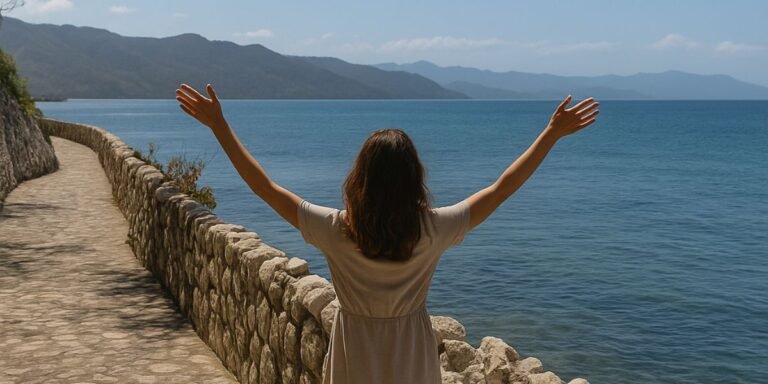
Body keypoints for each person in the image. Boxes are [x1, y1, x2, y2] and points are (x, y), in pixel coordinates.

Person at [175, 83, 599, 384]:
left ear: (360, 178)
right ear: (414, 179)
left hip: (354, 350)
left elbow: (264, 187)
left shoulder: (336, 229)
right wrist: (550, 135)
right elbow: (501, 188)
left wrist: (220, 127)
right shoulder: (433, 228)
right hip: (410, 350)